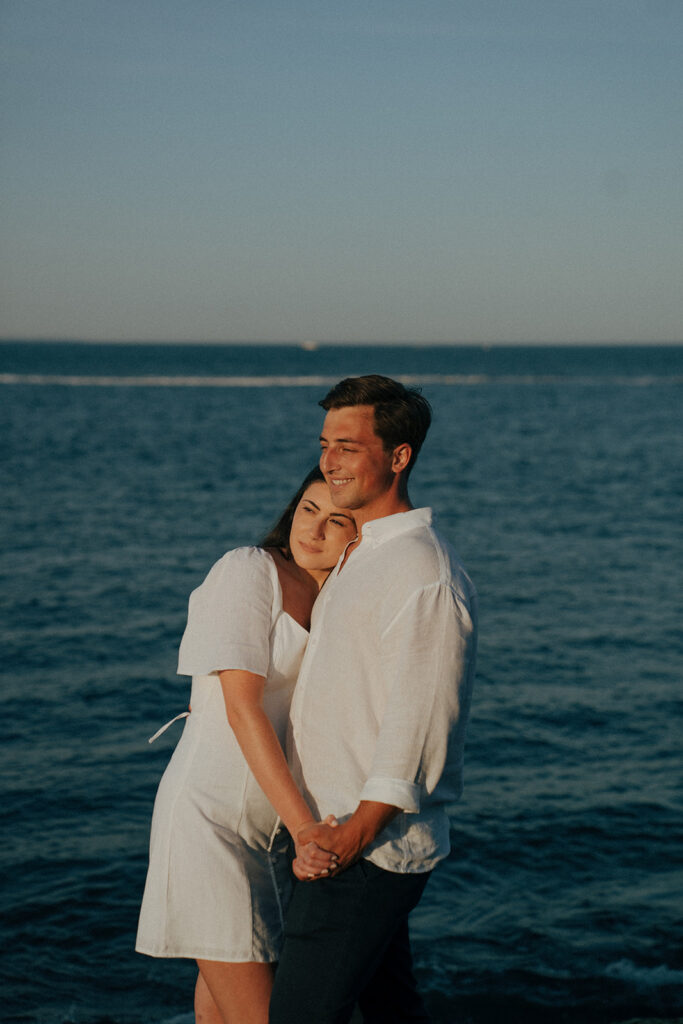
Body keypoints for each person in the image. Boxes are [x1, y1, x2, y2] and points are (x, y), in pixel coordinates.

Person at [270, 375, 478, 1024]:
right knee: (388, 1010)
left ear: (398, 456)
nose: (328, 460)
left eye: (348, 445)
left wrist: (350, 836)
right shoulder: (359, 550)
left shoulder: (421, 571)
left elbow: (419, 721)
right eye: (325, 443)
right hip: (331, 831)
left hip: (361, 844)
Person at [135, 467, 357, 1024]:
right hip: (211, 822)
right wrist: (307, 827)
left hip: (271, 834)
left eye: (338, 520)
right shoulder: (249, 570)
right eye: (309, 509)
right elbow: (242, 708)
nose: (315, 529)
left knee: (219, 1011)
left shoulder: (336, 598)